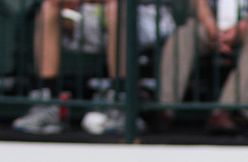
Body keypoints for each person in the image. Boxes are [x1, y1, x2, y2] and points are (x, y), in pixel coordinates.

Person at [12, 0, 176, 134]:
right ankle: (48, 100)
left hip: (145, 16)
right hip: (90, 13)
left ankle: (119, 99)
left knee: (116, 7)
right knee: (50, 6)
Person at [156, 0, 248, 133]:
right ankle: (164, 107)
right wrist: (211, 27)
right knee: (183, 35)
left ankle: (231, 110)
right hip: (211, 25)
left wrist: (245, 23)